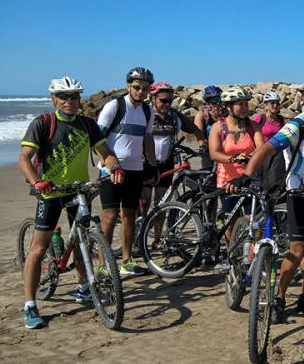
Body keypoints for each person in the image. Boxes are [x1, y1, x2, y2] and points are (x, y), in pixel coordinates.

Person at [226, 78, 304, 323]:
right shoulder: (298, 125)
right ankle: (278, 298)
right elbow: (266, 149)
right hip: (300, 195)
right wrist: (247, 176)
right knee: (297, 248)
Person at [18, 77, 124, 329]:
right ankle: (30, 305)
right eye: (64, 97)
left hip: (79, 190)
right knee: (38, 249)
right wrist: (37, 182)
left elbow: (105, 153)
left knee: (82, 239)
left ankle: (83, 286)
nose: (70, 101)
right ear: (54, 99)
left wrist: (115, 167)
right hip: (50, 192)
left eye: (74, 96)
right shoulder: (43, 123)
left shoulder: (87, 124)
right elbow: (24, 158)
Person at [97, 67, 158, 277]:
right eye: (137, 87)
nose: (141, 92)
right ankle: (103, 265)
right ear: (128, 86)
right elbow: (97, 139)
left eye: (146, 89)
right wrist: (108, 163)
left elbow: (148, 138)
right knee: (110, 217)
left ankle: (126, 261)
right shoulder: (114, 106)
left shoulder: (148, 111)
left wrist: (152, 164)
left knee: (130, 216)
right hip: (111, 171)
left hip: (135, 170)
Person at [208, 86, 263, 268]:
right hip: (227, 180)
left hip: (250, 179)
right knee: (229, 221)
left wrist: (251, 157)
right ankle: (231, 255)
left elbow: (261, 148)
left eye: (246, 103)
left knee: (253, 220)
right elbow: (214, 154)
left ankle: (252, 256)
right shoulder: (218, 127)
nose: (245, 107)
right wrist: (232, 158)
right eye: (240, 104)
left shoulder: (252, 126)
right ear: (229, 107)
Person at [141, 82, 206, 222]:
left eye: (170, 101)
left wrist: (203, 146)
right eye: (163, 101)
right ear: (153, 99)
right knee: (144, 202)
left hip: (166, 164)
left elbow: (195, 130)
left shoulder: (175, 116)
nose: (167, 104)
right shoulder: (144, 114)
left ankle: (157, 239)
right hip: (145, 164)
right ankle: (139, 235)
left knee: (161, 204)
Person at [194, 85, 226, 170]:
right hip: (209, 151)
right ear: (207, 104)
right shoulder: (202, 115)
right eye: (215, 101)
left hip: (226, 151)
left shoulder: (227, 114)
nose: (219, 104)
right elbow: (199, 135)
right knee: (208, 178)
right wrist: (203, 146)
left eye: (221, 100)